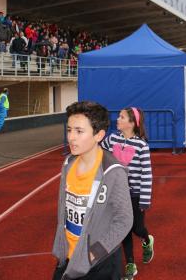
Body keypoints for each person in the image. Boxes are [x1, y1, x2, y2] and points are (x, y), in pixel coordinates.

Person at [52, 101, 133, 280]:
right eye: (69, 130)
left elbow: (125, 220)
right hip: (68, 257)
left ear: (99, 135)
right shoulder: (68, 164)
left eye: (79, 131)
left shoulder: (113, 173)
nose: (71, 137)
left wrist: (93, 253)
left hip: (99, 263)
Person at [101, 107, 154, 280]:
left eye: (121, 117)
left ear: (132, 123)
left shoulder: (141, 145)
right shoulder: (112, 138)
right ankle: (130, 263)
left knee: (137, 228)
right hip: (118, 193)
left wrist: (144, 199)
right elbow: (99, 150)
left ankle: (147, 240)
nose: (117, 119)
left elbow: (146, 174)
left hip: (136, 194)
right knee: (123, 229)